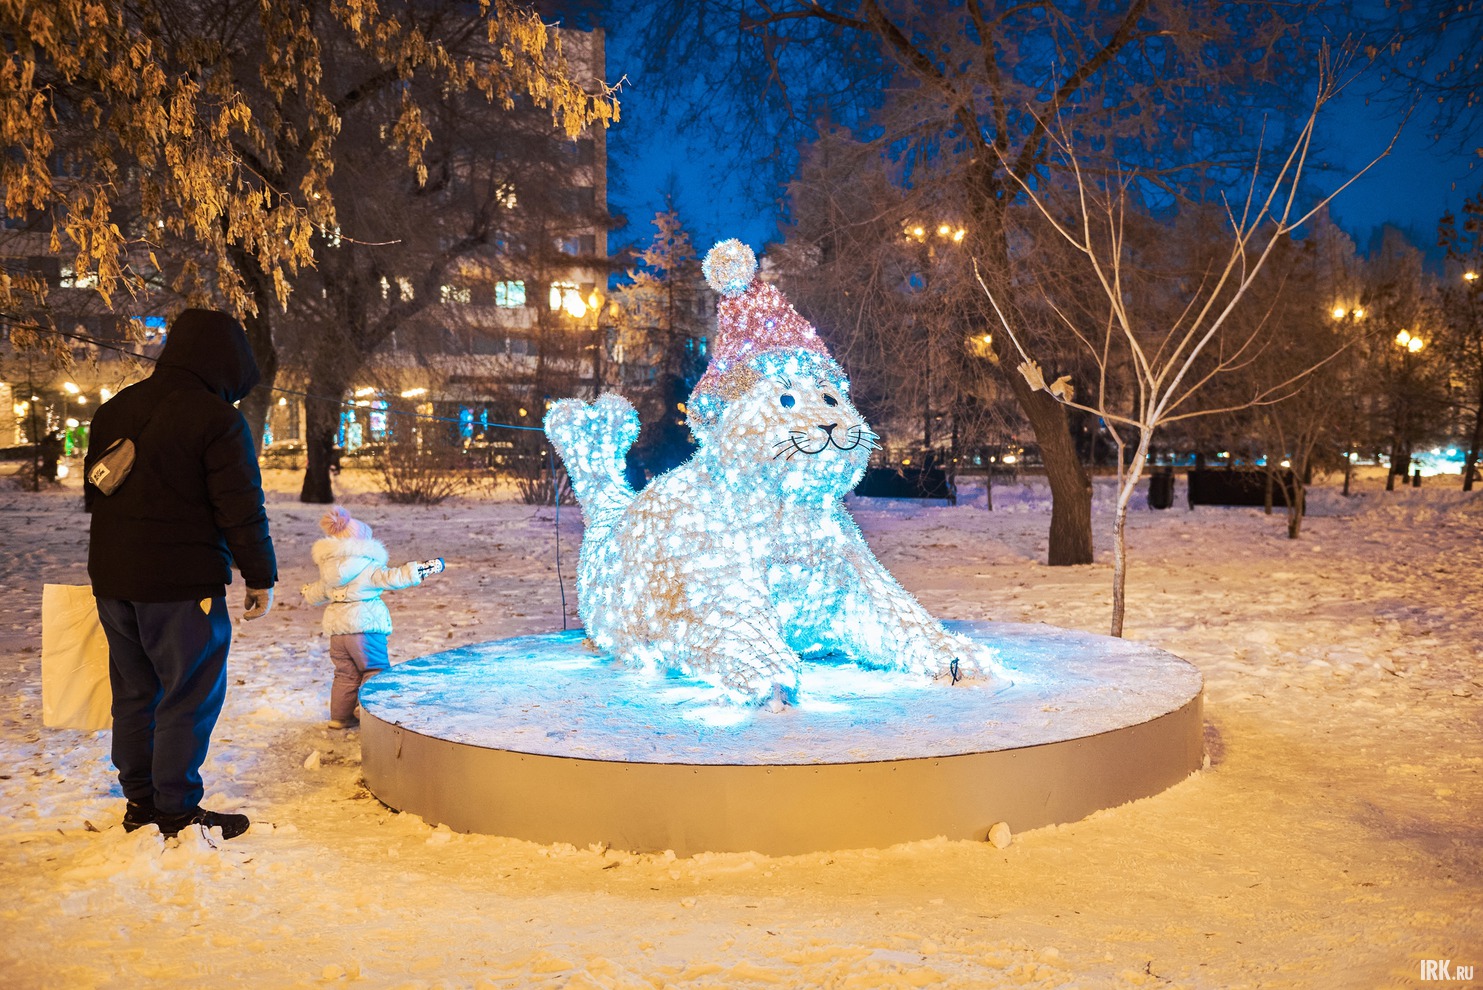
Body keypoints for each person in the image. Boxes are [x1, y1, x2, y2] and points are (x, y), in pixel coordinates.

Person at [84, 308, 277, 841]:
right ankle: (175, 810)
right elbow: (240, 507)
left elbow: (96, 493)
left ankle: (140, 802)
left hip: (113, 580)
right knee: (187, 694)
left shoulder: (115, 409)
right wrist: (259, 575)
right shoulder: (216, 419)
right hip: (182, 585)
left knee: (135, 693)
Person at [301, 506, 443, 729]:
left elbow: (315, 593)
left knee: (344, 675)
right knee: (375, 670)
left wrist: (306, 591)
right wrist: (422, 569)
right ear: (362, 544)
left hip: (338, 634)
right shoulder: (369, 567)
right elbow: (394, 577)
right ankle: (366, 710)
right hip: (365, 629)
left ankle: (340, 717)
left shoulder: (328, 571)